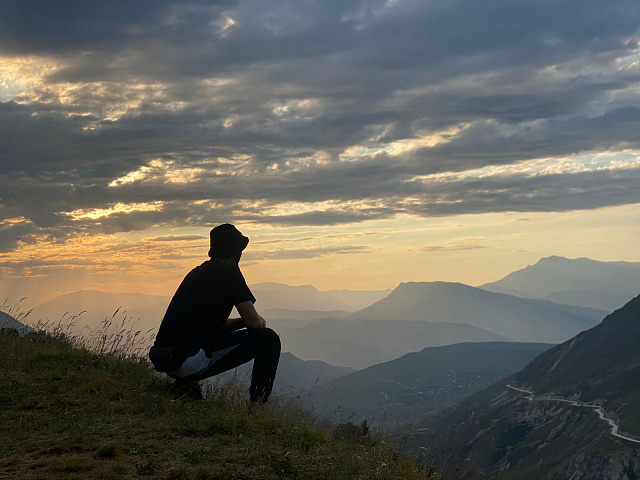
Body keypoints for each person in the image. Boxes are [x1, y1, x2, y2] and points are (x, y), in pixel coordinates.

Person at [149, 224, 280, 411]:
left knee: (204, 339)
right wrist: (257, 322)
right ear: (236, 253)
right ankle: (257, 408)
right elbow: (254, 323)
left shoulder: (198, 272)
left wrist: (242, 322)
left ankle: (186, 389)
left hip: (166, 358)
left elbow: (215, 325)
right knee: (269, 339)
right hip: (186, 360)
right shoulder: (230, 273)